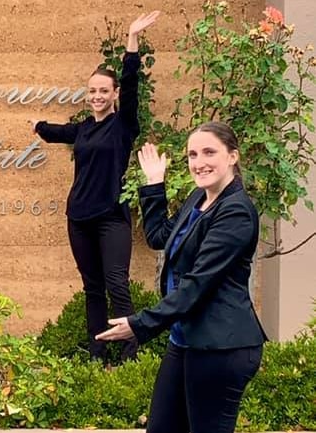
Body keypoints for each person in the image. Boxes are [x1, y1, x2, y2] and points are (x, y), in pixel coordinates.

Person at [95, 121, 267, 433]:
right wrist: (153, 185)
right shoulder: (197, 199)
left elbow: (197, 285)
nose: (199, 162)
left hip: (221, 347)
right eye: (192, 154)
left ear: (233, 156)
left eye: (209, 152)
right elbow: (160, 236)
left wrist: (139, 323)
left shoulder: (236, 212)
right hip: (185, 339)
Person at [29, 10, 160, 362]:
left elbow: (133, 83)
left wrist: (132, 41)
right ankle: (97, 355)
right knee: (92, 289)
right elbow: (58, 133)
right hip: (79, 218)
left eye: (104, 90)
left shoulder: (123, 126)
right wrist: (38, 126)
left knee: (117, 284)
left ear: (114, 94)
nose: (97, 96)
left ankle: (129, 357)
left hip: (111, 218)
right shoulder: (83, 128)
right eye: (92, 91)